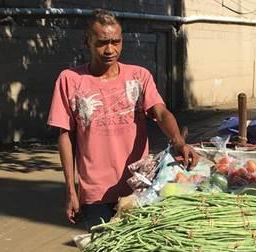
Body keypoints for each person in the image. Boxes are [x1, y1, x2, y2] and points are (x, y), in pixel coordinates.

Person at [47, 9, 198, 230]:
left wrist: (179, 141)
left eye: (116, 42)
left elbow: (161, 112)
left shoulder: (139, 76)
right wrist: (71, 190)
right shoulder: (70, 80)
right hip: (96, 194)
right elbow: (65, 136)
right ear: (87, 41)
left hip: (139, 187)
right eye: (102, 43)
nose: (110, 50)